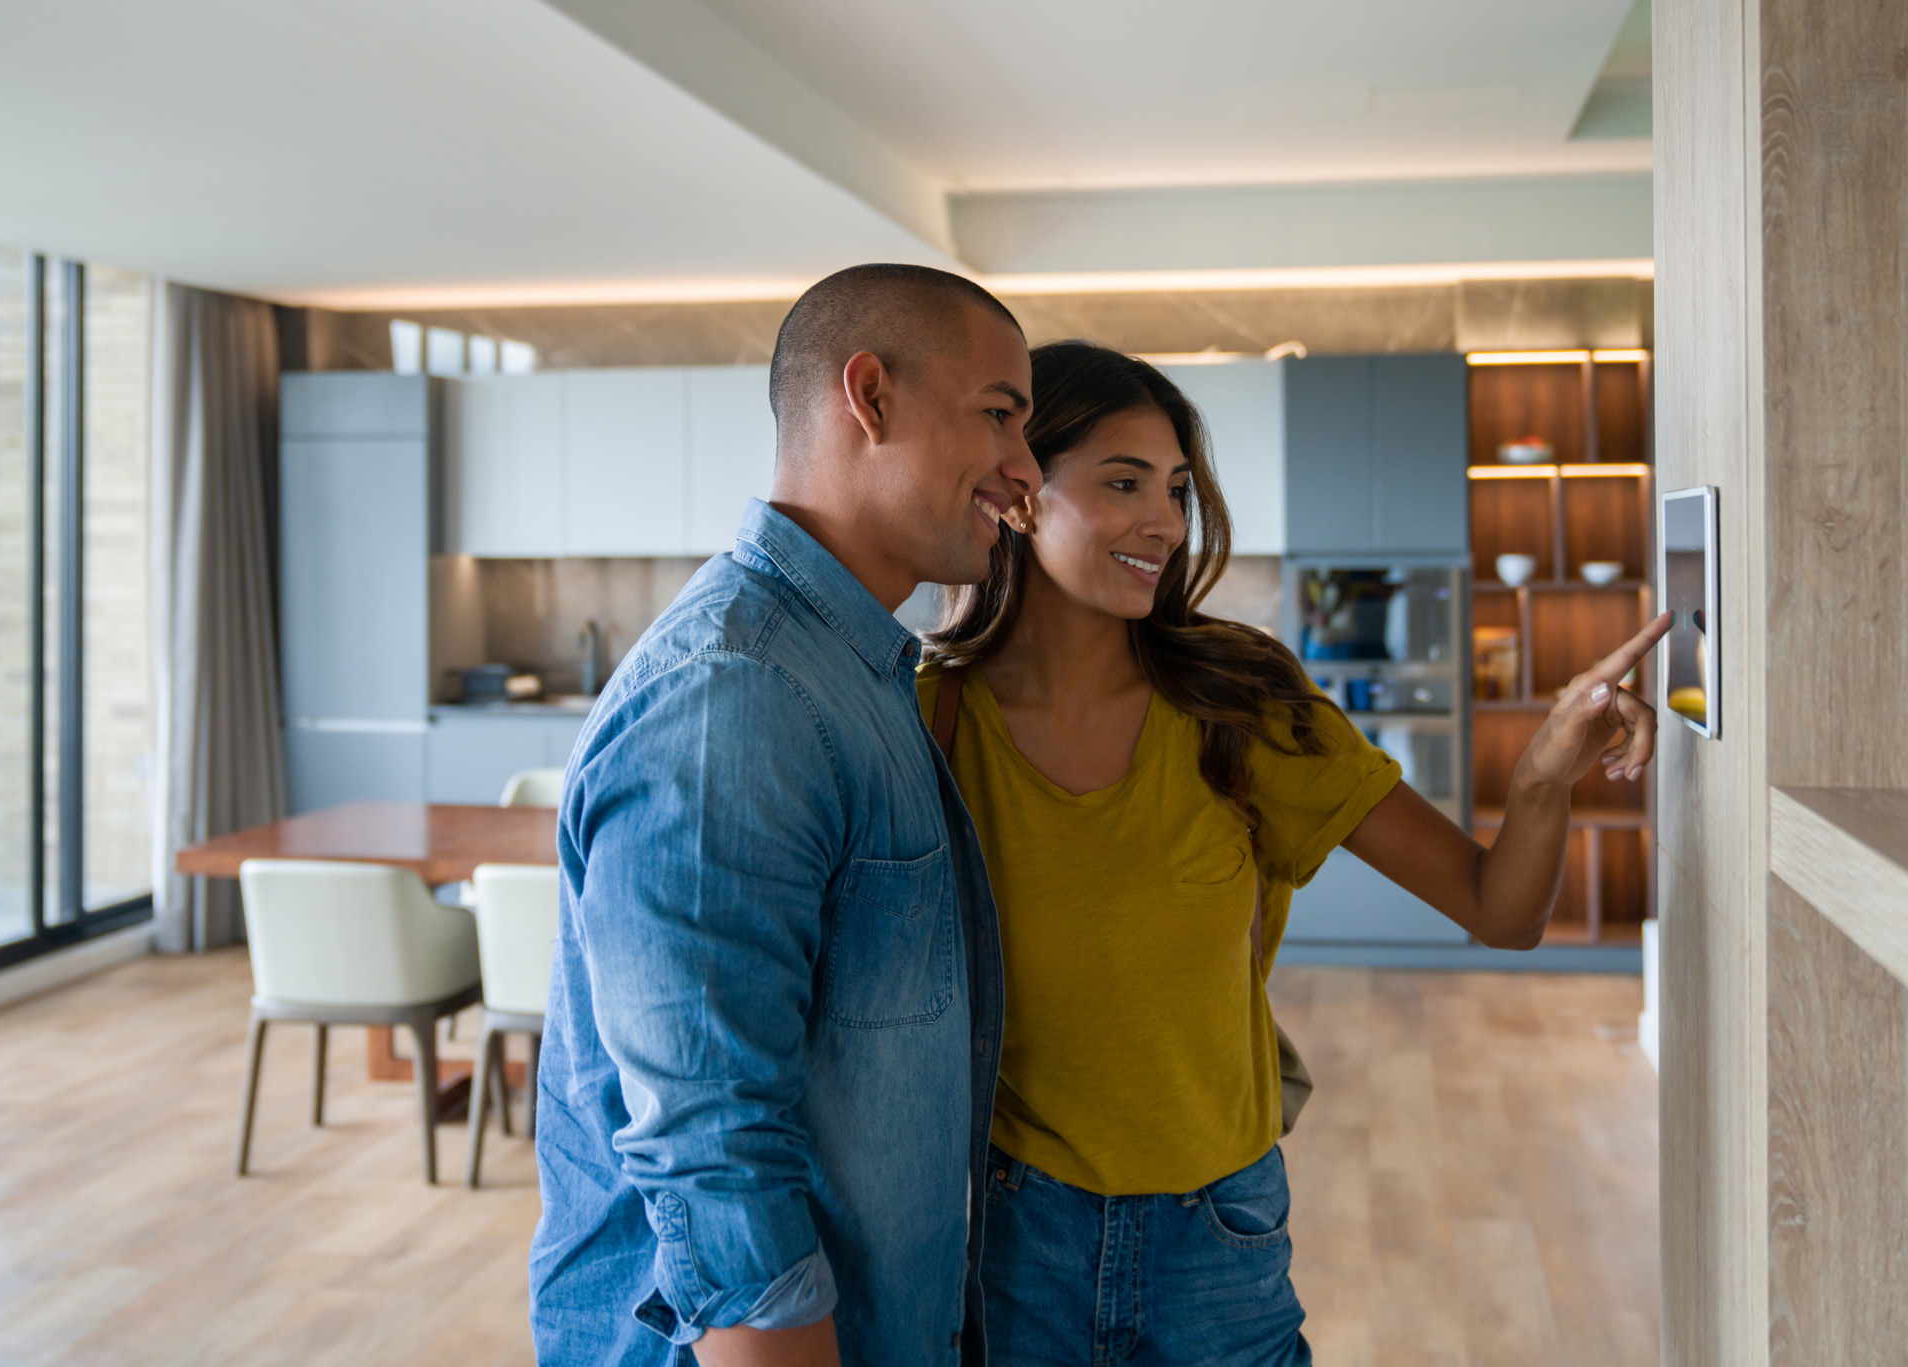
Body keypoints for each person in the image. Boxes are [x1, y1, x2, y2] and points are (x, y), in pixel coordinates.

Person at [916, 340, 1672, 1366]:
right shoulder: (931, 718)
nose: (1162, 521)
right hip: (1012, 1233)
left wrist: (1540, 770)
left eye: (1176, 488)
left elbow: (1501, 910)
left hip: (1215, 1234)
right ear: (1020, 493)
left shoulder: (1238, 698)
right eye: (1122, 481)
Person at [530, 264, 1041, 1367]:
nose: (1024, 468)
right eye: (999, 414)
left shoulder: (843, 666)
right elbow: (713, 1157)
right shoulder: (737, 695)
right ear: (870, 397)